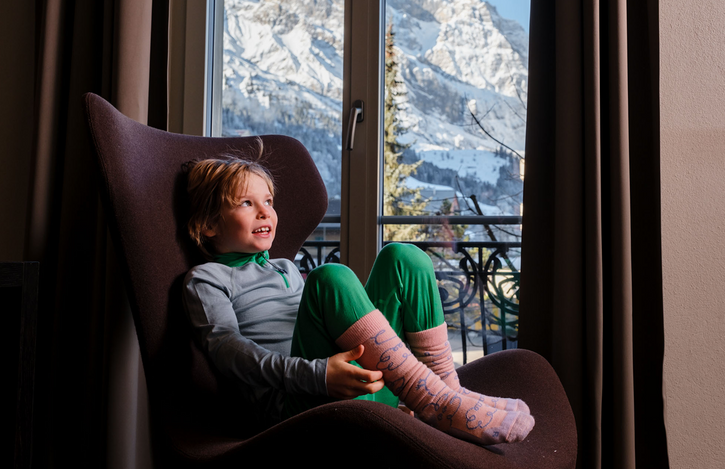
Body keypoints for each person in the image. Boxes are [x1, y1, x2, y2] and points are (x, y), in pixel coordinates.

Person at [181, 151, 534, 445]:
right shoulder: (206, 279)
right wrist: (318, 375)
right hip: (300, 406)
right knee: (329, 276)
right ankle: (437, 402)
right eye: (246, 202)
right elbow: (228, 353)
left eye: (268, 201)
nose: (265, 212)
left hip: (360, 385)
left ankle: (446, 388)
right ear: (209, 225)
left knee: (402, 258)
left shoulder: (285, 267)